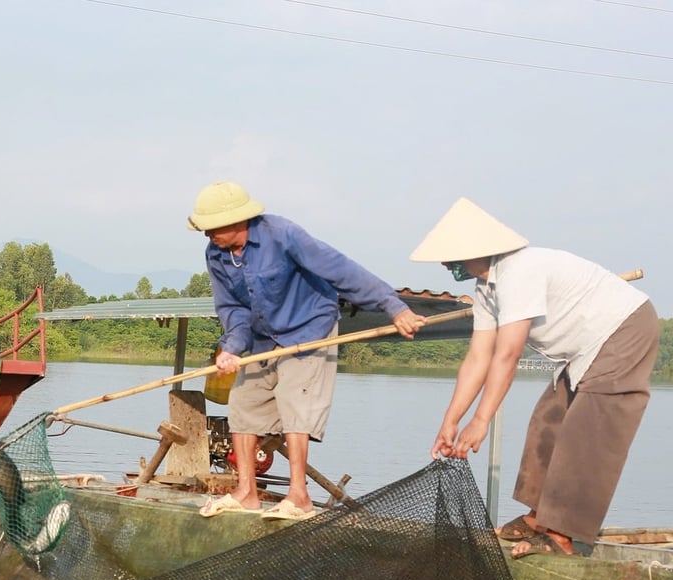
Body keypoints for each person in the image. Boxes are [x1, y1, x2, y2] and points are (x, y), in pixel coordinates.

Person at [411, 197, 659, 558]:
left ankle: (561, 533)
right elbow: (479, 356)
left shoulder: (518, 271)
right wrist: (450, 422)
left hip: (623, 330)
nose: (450, 265)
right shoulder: (487, 290)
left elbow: (507, 355)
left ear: (478, 250)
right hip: (583, 350)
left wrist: (481, 421)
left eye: (455, 257)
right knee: (548, 419)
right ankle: (539, 516)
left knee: (587, 431)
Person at [189, 181, 425, 520]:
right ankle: (246, 493)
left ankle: (299, 497)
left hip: (308, 328)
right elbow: (231, 309)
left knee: (294, 401)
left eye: (212, 227)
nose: (207, 234)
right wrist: (232, 348)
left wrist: (394, 307)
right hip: (261, 338)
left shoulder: (282, 234)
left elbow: (341, 270)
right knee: (243, 404)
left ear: (236, 221)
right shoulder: (216, 255)